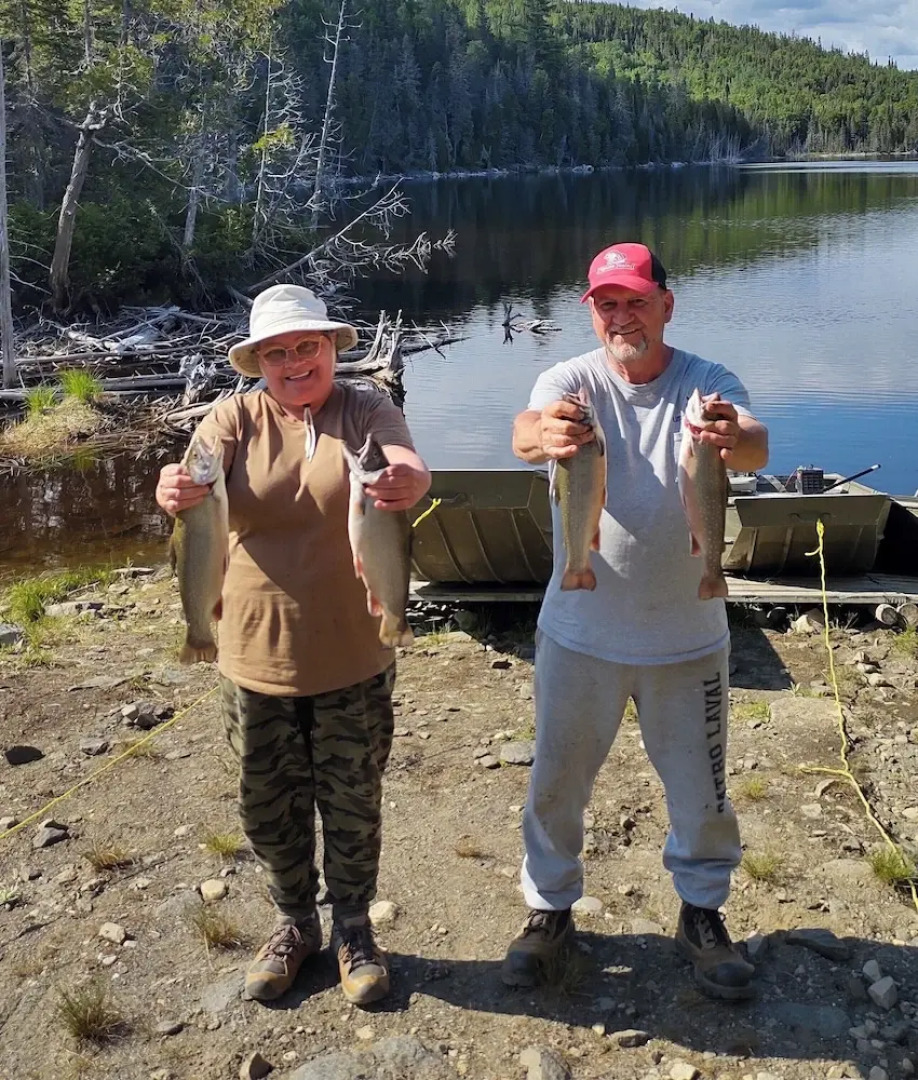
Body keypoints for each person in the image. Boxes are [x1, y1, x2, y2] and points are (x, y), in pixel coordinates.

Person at [503, 243, 769, 1000]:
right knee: (554, 782)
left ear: (665, 305)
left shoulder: (707, 383)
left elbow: (755, 444)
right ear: (592, 311)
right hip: (579, 633)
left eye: (636, 301)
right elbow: (525, 430)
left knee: (703, 794)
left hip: (689, 638)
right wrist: (546, 434)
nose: (622, 317)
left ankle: (702, 915)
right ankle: (549, 912)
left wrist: (729, 434)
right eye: (606, 304)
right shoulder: (571, 381)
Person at [156, 284, 430, 1006]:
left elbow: (407, 465)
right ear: (258, 363)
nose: (293, 362)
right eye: (276, 353)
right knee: (265, 802)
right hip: (252, 654)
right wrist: (175, 489)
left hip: (353, 653)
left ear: (331, 347)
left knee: (352, 799)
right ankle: (293, 923)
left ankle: (353, 929)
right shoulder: (230, 417)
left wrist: (405, 479)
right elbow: (191, 474)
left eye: (306, 346)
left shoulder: (366, 409)